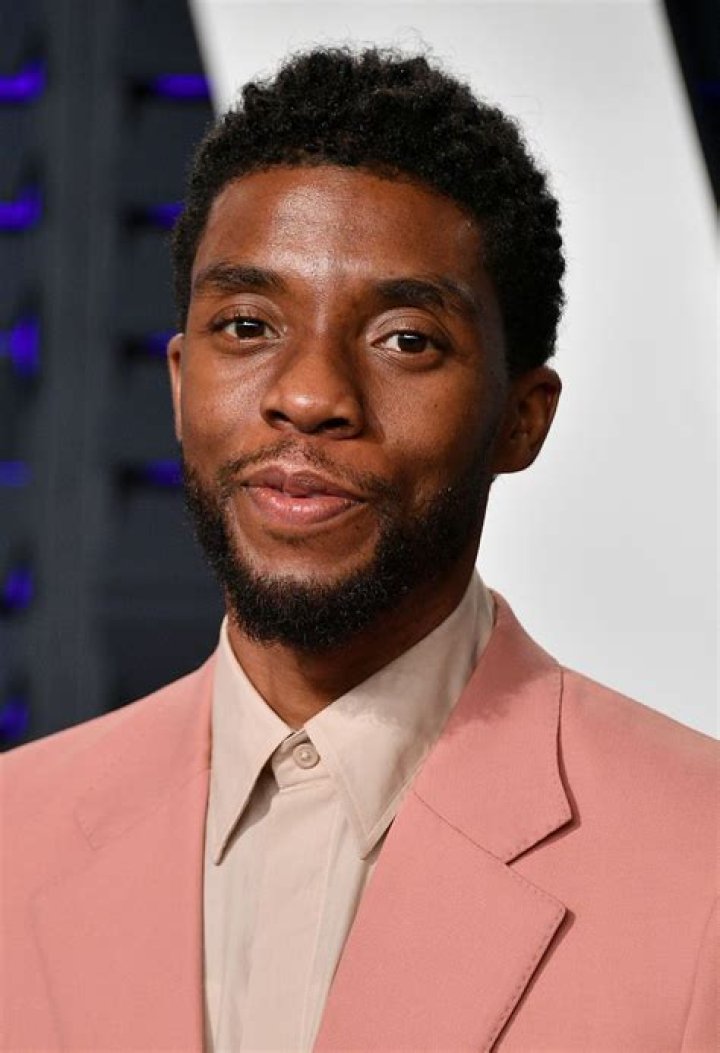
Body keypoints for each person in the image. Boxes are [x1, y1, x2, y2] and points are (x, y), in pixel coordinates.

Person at [2, 47, 716, 1053]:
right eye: (246, 325)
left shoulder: (699, 857)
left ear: (522, 418)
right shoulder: (15, 835)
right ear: (178, 380)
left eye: (405, 340)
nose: (309, 395)